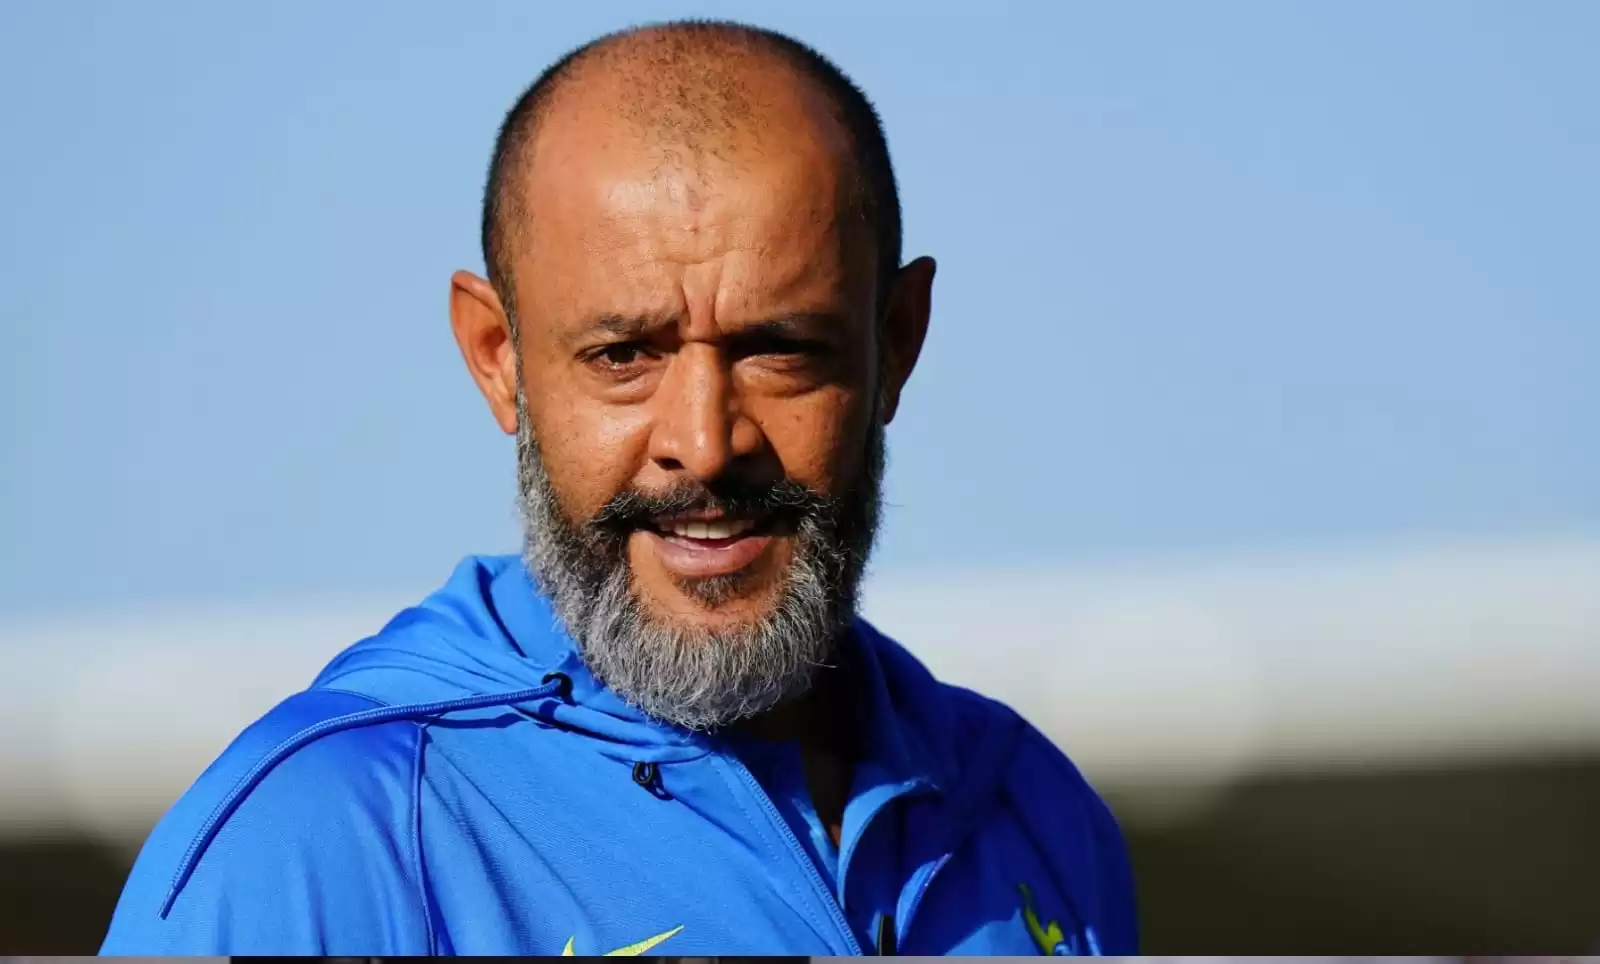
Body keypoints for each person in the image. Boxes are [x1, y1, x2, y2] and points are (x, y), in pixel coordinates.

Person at [100, 19, 1137, 956]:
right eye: (623, 355)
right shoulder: (323, 843)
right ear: (498, 358)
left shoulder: (1029, 813)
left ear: (895, 342)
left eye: (779, 349)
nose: (705, 444)